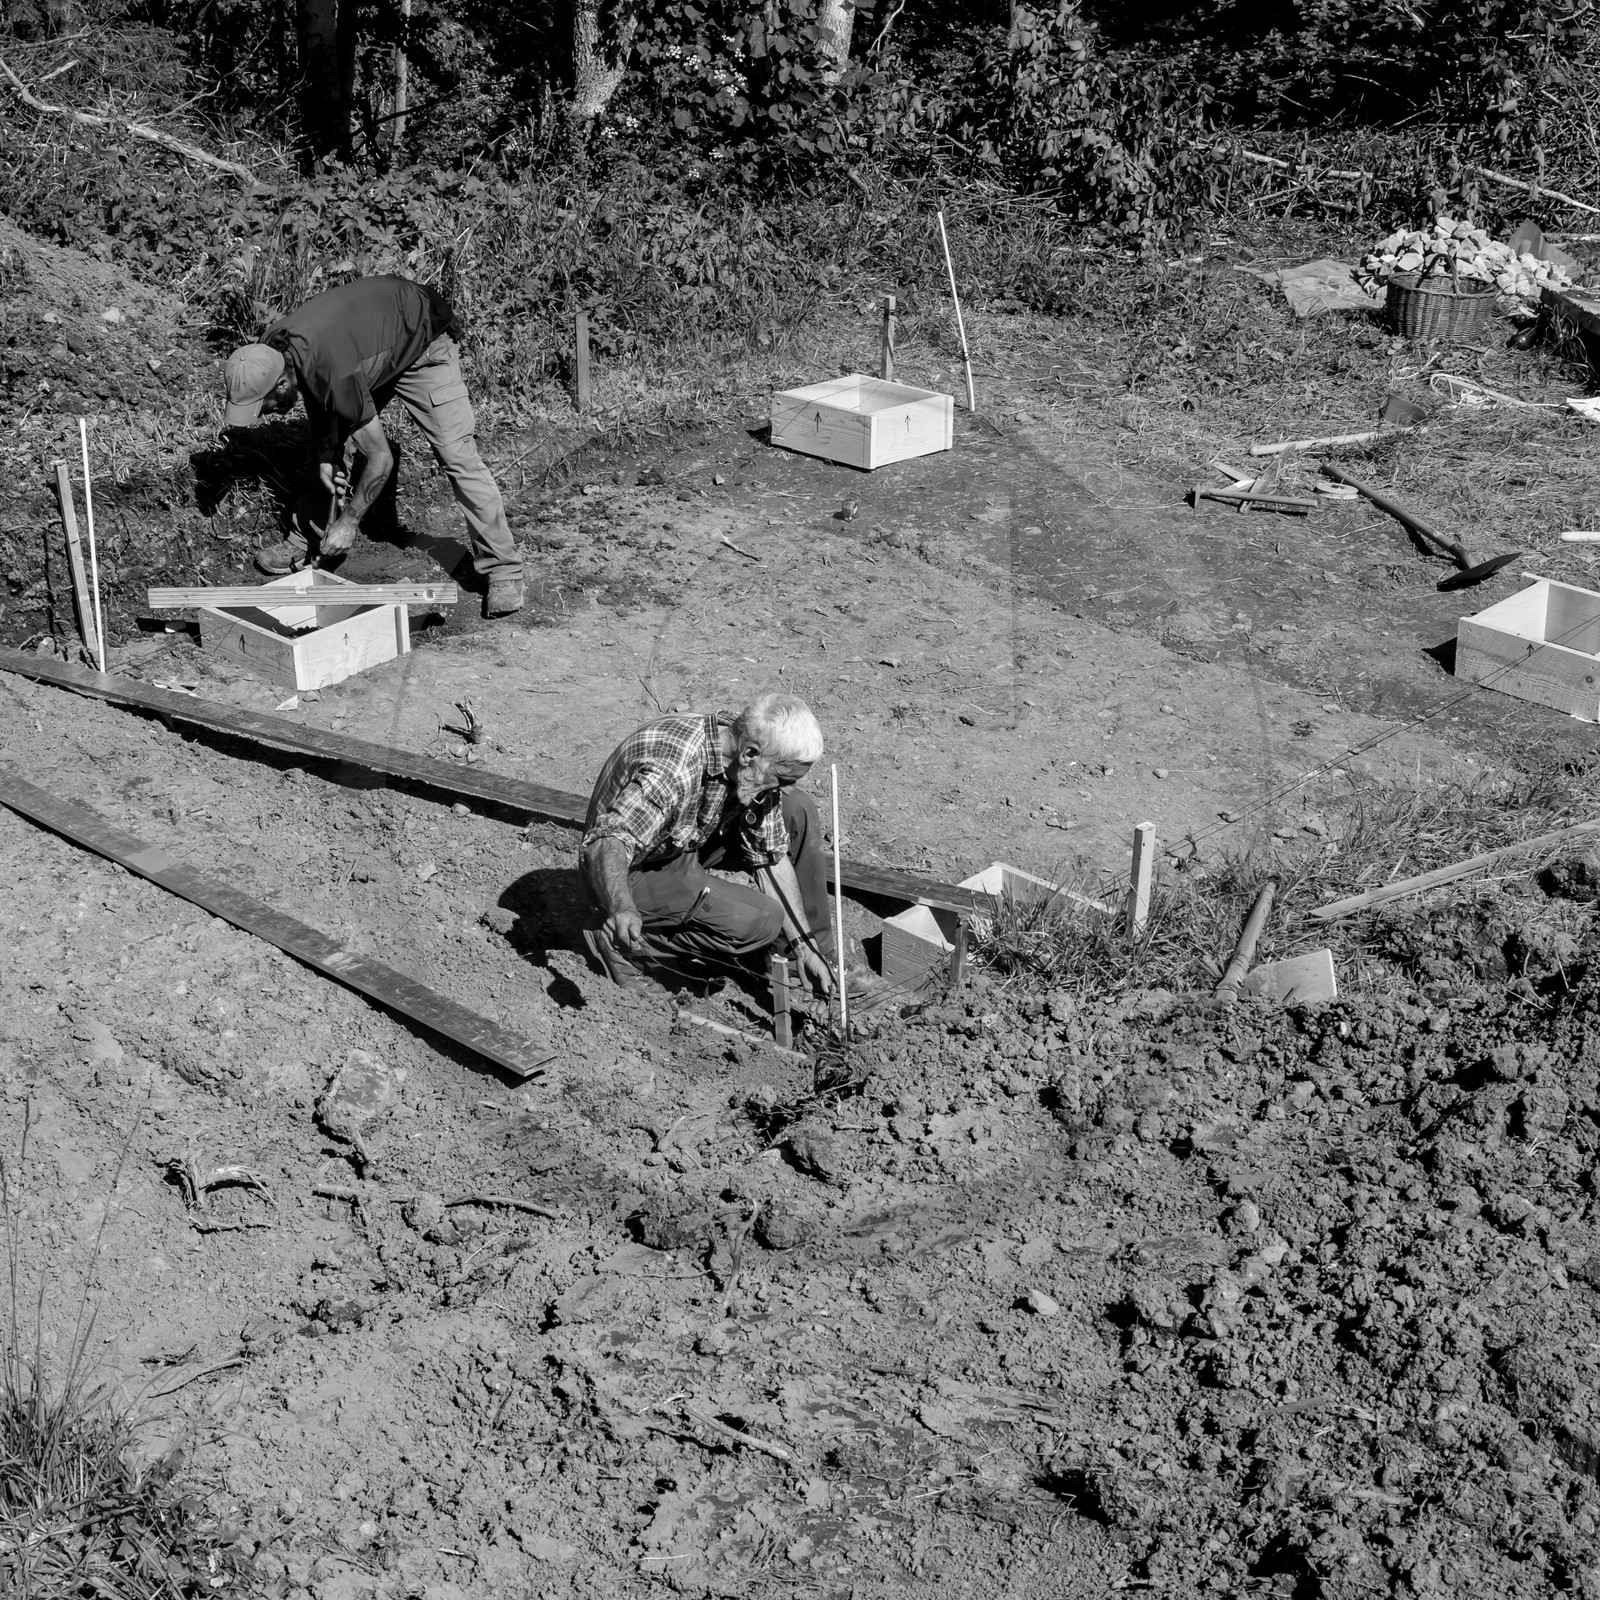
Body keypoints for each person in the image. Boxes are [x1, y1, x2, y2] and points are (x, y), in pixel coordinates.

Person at [221, 274, 525, 618]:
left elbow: (380, 460)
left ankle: (504, 569)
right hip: (370, 350)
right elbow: (313, 390)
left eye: (265, 406)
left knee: (456, 455)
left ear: (280, 383)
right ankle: (309, 535)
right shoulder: (269, 349)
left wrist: (350, 520)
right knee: (333, 448)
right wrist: (325, 451)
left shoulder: (334, 372)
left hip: (422, 340)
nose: (265, 415)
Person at [580, 694, 846, 1003]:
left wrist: (805, 946)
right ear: (749, 754)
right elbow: (606, 842)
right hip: (626, 870)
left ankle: (797, 961)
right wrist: (621, 907)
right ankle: (626, 943)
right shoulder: (674, 769)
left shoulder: (744, 754)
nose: (787, 787)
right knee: (761, 919)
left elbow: (770, 857)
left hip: (680, 844)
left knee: (796, 809)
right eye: (783, 777)